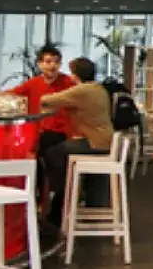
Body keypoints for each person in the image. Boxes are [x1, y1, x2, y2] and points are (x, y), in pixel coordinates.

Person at [38, 57, 113, 227]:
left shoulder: (82, 90)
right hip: (105, 140)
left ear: (75, 75)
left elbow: (47, 99)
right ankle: (72, 194)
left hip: (94, 142)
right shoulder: (98, 88)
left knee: (53, 153)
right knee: (63, 150)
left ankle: (62, 192)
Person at [7, 45, 76, 201]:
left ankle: (51, 196)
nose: (52, 66)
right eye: (48, 62)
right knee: (28, 152)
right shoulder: (33, 83)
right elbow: (11, 94)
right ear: (40, 64)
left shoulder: (68, 83)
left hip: (61, 134)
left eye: (56, 62)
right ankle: (37, 195)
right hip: (38, 133)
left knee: (42, 151)